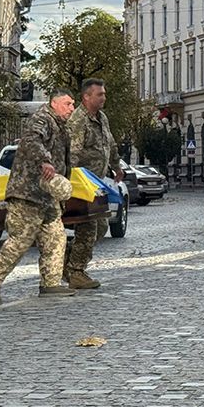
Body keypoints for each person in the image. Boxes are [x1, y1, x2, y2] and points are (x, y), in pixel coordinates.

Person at [0, 90, 77, 304]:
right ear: (54, 103)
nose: (72, 108)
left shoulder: (60, 126)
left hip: (47, 195)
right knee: (20, 240)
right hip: (28, 193)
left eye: (73, 104)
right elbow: (32, 140)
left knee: (56, 237)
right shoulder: (42, 119)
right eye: (67, 103)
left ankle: (50, 284)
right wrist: (44, 160)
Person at [65, 79, 124, 289]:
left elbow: (110, 143)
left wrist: (117, 166)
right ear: (86, 97)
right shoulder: (78, 121)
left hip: (96, 183)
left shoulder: (102, 118)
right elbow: (71, 154)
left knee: (100, 226)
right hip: (81, 184)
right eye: (99, 94)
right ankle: (76, 271)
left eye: (104, 94)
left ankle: (68, 261)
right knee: (91, 226)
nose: (103, 98)